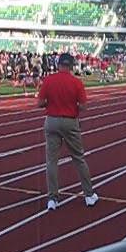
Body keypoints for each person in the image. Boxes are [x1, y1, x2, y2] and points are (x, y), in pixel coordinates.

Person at [37, 52, 98, 210]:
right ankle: (89, 195)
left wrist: (52, 104)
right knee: (78, 158)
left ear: (58, 64)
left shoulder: (49, 80)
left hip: (51, 121)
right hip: (70, 121)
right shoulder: (76, 82)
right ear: (71, 66)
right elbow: (84, 106)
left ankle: (52, 198)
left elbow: (40, 103)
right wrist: (72, 107)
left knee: (51, 161)